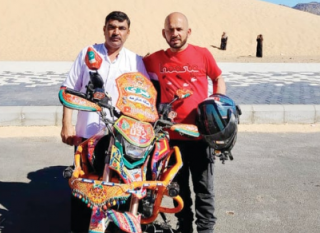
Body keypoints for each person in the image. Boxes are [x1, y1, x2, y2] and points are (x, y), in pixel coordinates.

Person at [60, 11, 149, 233]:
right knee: (83, 184)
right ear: (104, 29)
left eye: (121, 28)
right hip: (86, 133)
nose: (115, 32)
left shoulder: (135, 61)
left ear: (128, 32)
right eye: (112, 27)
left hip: (120, 137)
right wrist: (66, 124)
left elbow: (146, 98)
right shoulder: (88, 54)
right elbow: (68, 89)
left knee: (120, 187)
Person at [143, 12, 226, 233]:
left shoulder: (203, 54)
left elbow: (218, 78)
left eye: (179, 29)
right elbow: (134, 72)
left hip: (200, 136)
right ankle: (184, 227)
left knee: (203, 189)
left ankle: (206, 230)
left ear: (188, 32)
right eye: (170, 29)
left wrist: (218, 105)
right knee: (177, 189)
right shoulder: (155, 59)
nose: (175, 33)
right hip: (170, 140)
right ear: (164, 33)